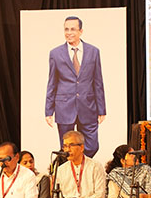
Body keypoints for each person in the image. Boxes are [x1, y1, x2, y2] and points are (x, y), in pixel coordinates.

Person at [45, 16, 106, 157]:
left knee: (92, 145)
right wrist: (48, 111)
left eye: (72, 29)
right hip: (64, 107)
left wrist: (101, 109)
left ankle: (82, 165)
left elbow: (98, 81)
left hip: (88, 106)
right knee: (67, 148)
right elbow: (52, 83)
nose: (69, 33)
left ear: (81, 31)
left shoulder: (93, 51)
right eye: (66, 29)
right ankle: (72, 168)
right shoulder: (55, 53)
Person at [27, 131, 108, 198]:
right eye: (65, 146)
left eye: (71, 145)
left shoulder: (95, 166)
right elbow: (57, 197)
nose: (67, 150)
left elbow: (99, 196)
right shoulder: (61, 169)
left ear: (82, 147)